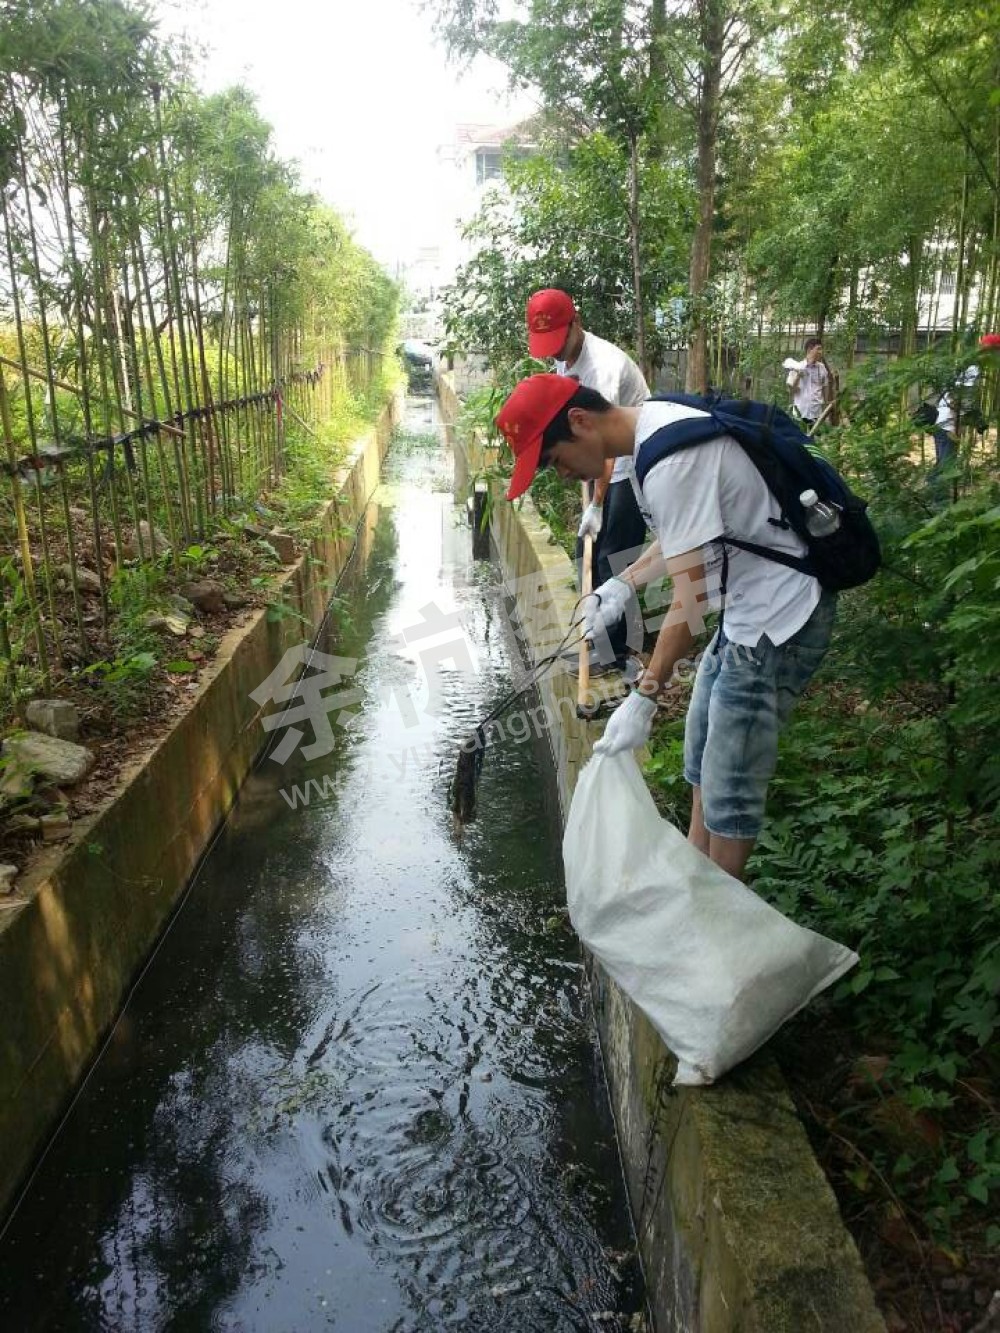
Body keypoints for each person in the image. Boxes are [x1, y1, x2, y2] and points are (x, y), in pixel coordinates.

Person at [495, 374, 836, 883]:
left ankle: (717, 926)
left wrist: (645, 696)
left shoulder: (670, 459)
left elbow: (691, 601)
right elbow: (684, 538)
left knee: (730, 786)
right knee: (700, 757)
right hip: (746, 612)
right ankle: (695, 888)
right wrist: (622, 586)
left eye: (554, 460)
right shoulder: (648, 437)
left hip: (778, 619)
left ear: (580, 421)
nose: (562, 474)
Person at [526, 289, 649, 667]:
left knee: (616, 558)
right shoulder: (565, 361)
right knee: (587, 554)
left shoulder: (604, 366)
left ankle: (615, 653)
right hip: (601, 462)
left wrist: (596, 505)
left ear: (576, 324)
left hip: (631, 461)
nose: (555, 352)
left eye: (559, 340)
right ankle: (603, 641)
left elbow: (604, 443)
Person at [785, 338, 832, 432]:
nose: (821, 352)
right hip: (800, 414)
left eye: (821, 349)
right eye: (818, 349)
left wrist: (826, 407)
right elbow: (791, 391)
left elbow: (825, 387)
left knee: (814, 443)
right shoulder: (797, 366)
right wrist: (798, 375)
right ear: (810, 349)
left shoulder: (822, 368)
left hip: (816, 414)